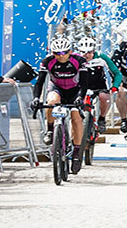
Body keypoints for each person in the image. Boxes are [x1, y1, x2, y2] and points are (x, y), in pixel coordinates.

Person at [30, 36, 88, 173]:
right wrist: (36, 98)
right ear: (53, 53)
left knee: (76, 117)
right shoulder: (47, 61)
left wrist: (80, 97)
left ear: (70, 51)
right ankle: (50, 130)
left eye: (64, 53)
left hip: (75, 90)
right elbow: (39, 82)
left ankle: (77, 153)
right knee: (51, 102)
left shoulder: (79, 60)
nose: (61, 56)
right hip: (57, 88)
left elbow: (84, 83)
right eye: (57, 53)